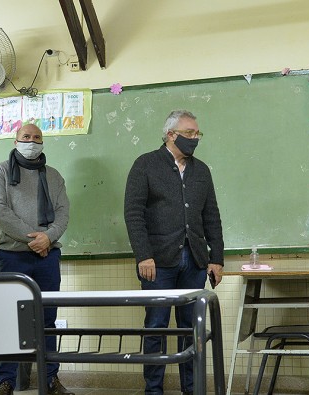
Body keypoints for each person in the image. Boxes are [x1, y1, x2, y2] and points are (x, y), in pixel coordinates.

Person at [124, 110, 224, 395]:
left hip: (194, 261)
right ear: (171, 135)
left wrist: (216, 258)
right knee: (156, 326)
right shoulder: (145, 165)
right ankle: (153, 390)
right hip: (157, 263)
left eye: (197, 134)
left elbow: (212, 216)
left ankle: (191, 389)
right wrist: (143, 255)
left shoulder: (201, 170)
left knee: (191, 328)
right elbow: (133, 213)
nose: (195, 138)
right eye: (190, 133)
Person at [0, 124, 73, 395]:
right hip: (11, 256)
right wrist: (35, 239)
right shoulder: (0, 172)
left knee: (48, 322)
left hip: (47, 257)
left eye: (37, 138)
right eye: (26, 137)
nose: (32, 142)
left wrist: (48, 238)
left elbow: (63, 213)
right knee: (7, 320)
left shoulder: (54, 176)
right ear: (16, 141)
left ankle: (51, 379)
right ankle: (5, 382)